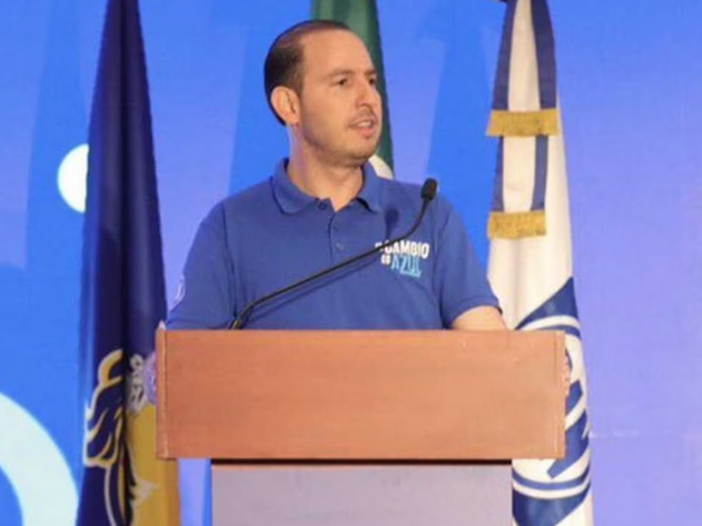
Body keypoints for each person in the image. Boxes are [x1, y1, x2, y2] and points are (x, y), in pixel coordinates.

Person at [167, 20, 505, 332]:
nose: (368, 98)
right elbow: (187, 363)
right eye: (343, 82)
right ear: (289, 106)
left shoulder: (427, 216)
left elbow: (491, 352)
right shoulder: (230, 227)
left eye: (371, 82)